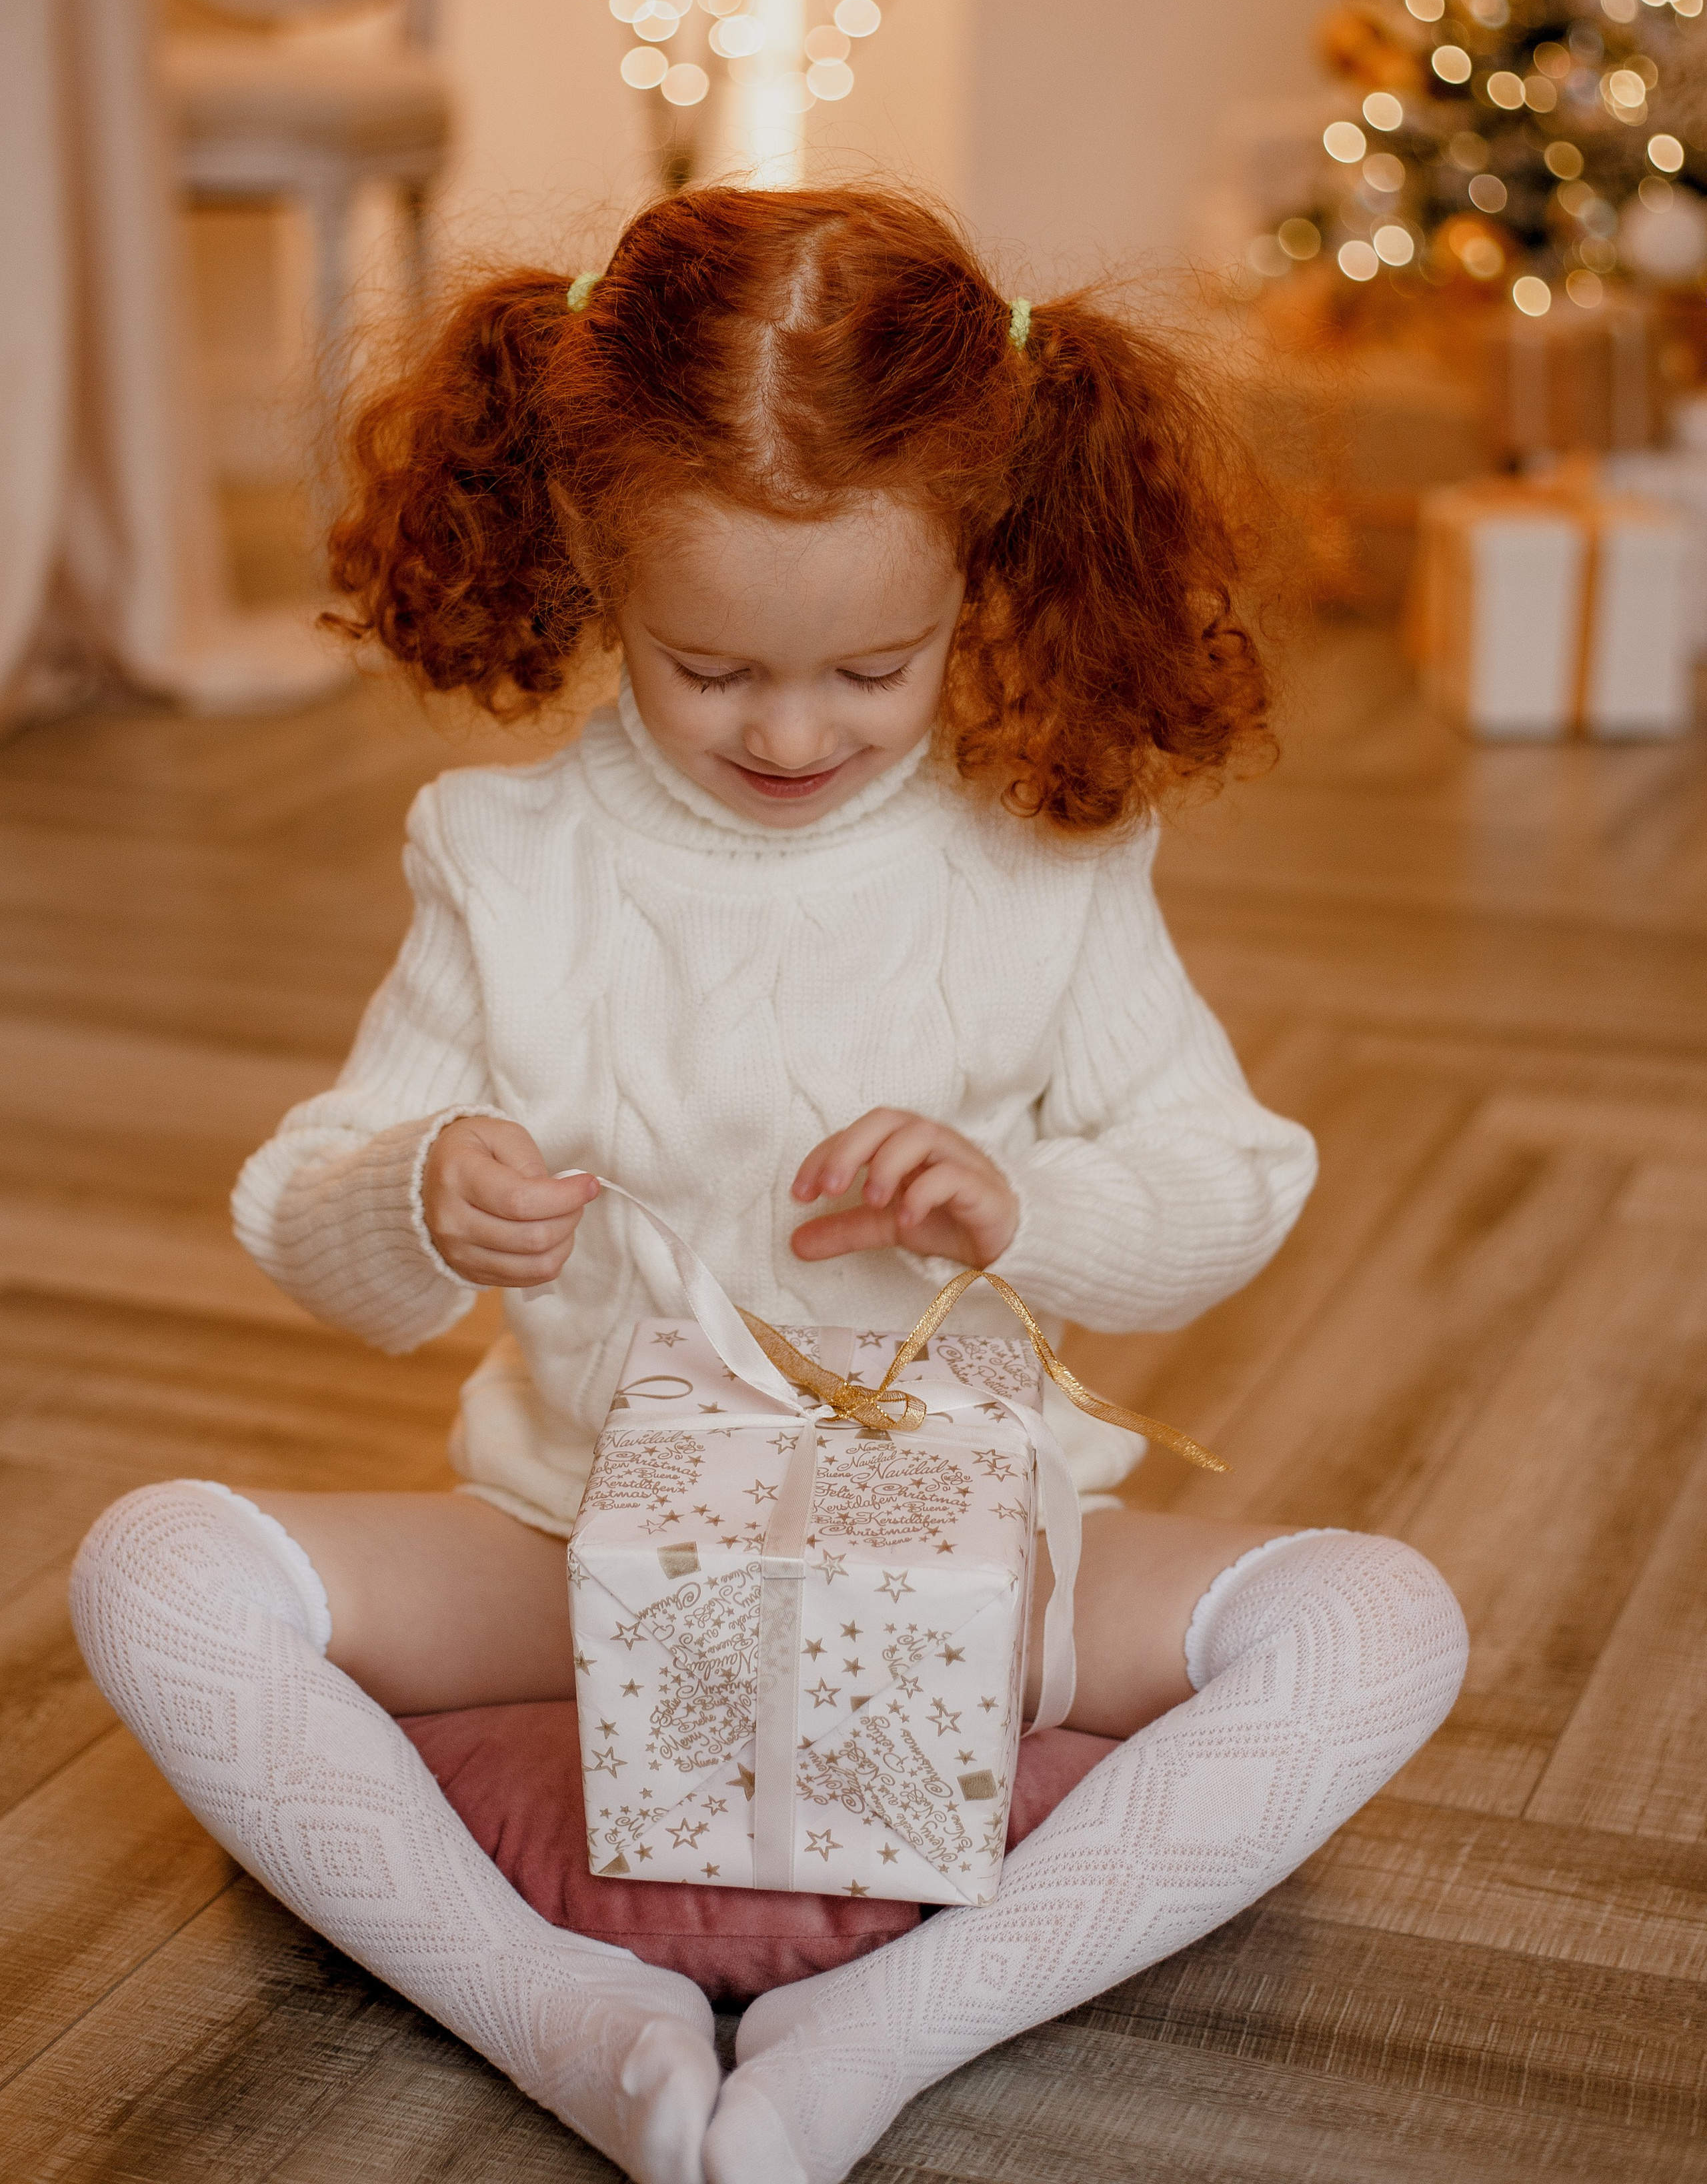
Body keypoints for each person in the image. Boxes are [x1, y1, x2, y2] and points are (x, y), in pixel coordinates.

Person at [69, 187, 1467, 2184]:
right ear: (592, 564)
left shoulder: (1047, 856)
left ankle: (882, 2028)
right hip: (574, 1547)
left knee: (1382, 1621)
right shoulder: (503, 857)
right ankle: (560, 2010)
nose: (794, 734)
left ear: (977, 579)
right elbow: (309, 1212)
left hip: (986, 1545)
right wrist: (412, 1195)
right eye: (710, 670)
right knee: (155, 1571)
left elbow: (1229, 1182)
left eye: (874, 670)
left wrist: (1023, 1202)